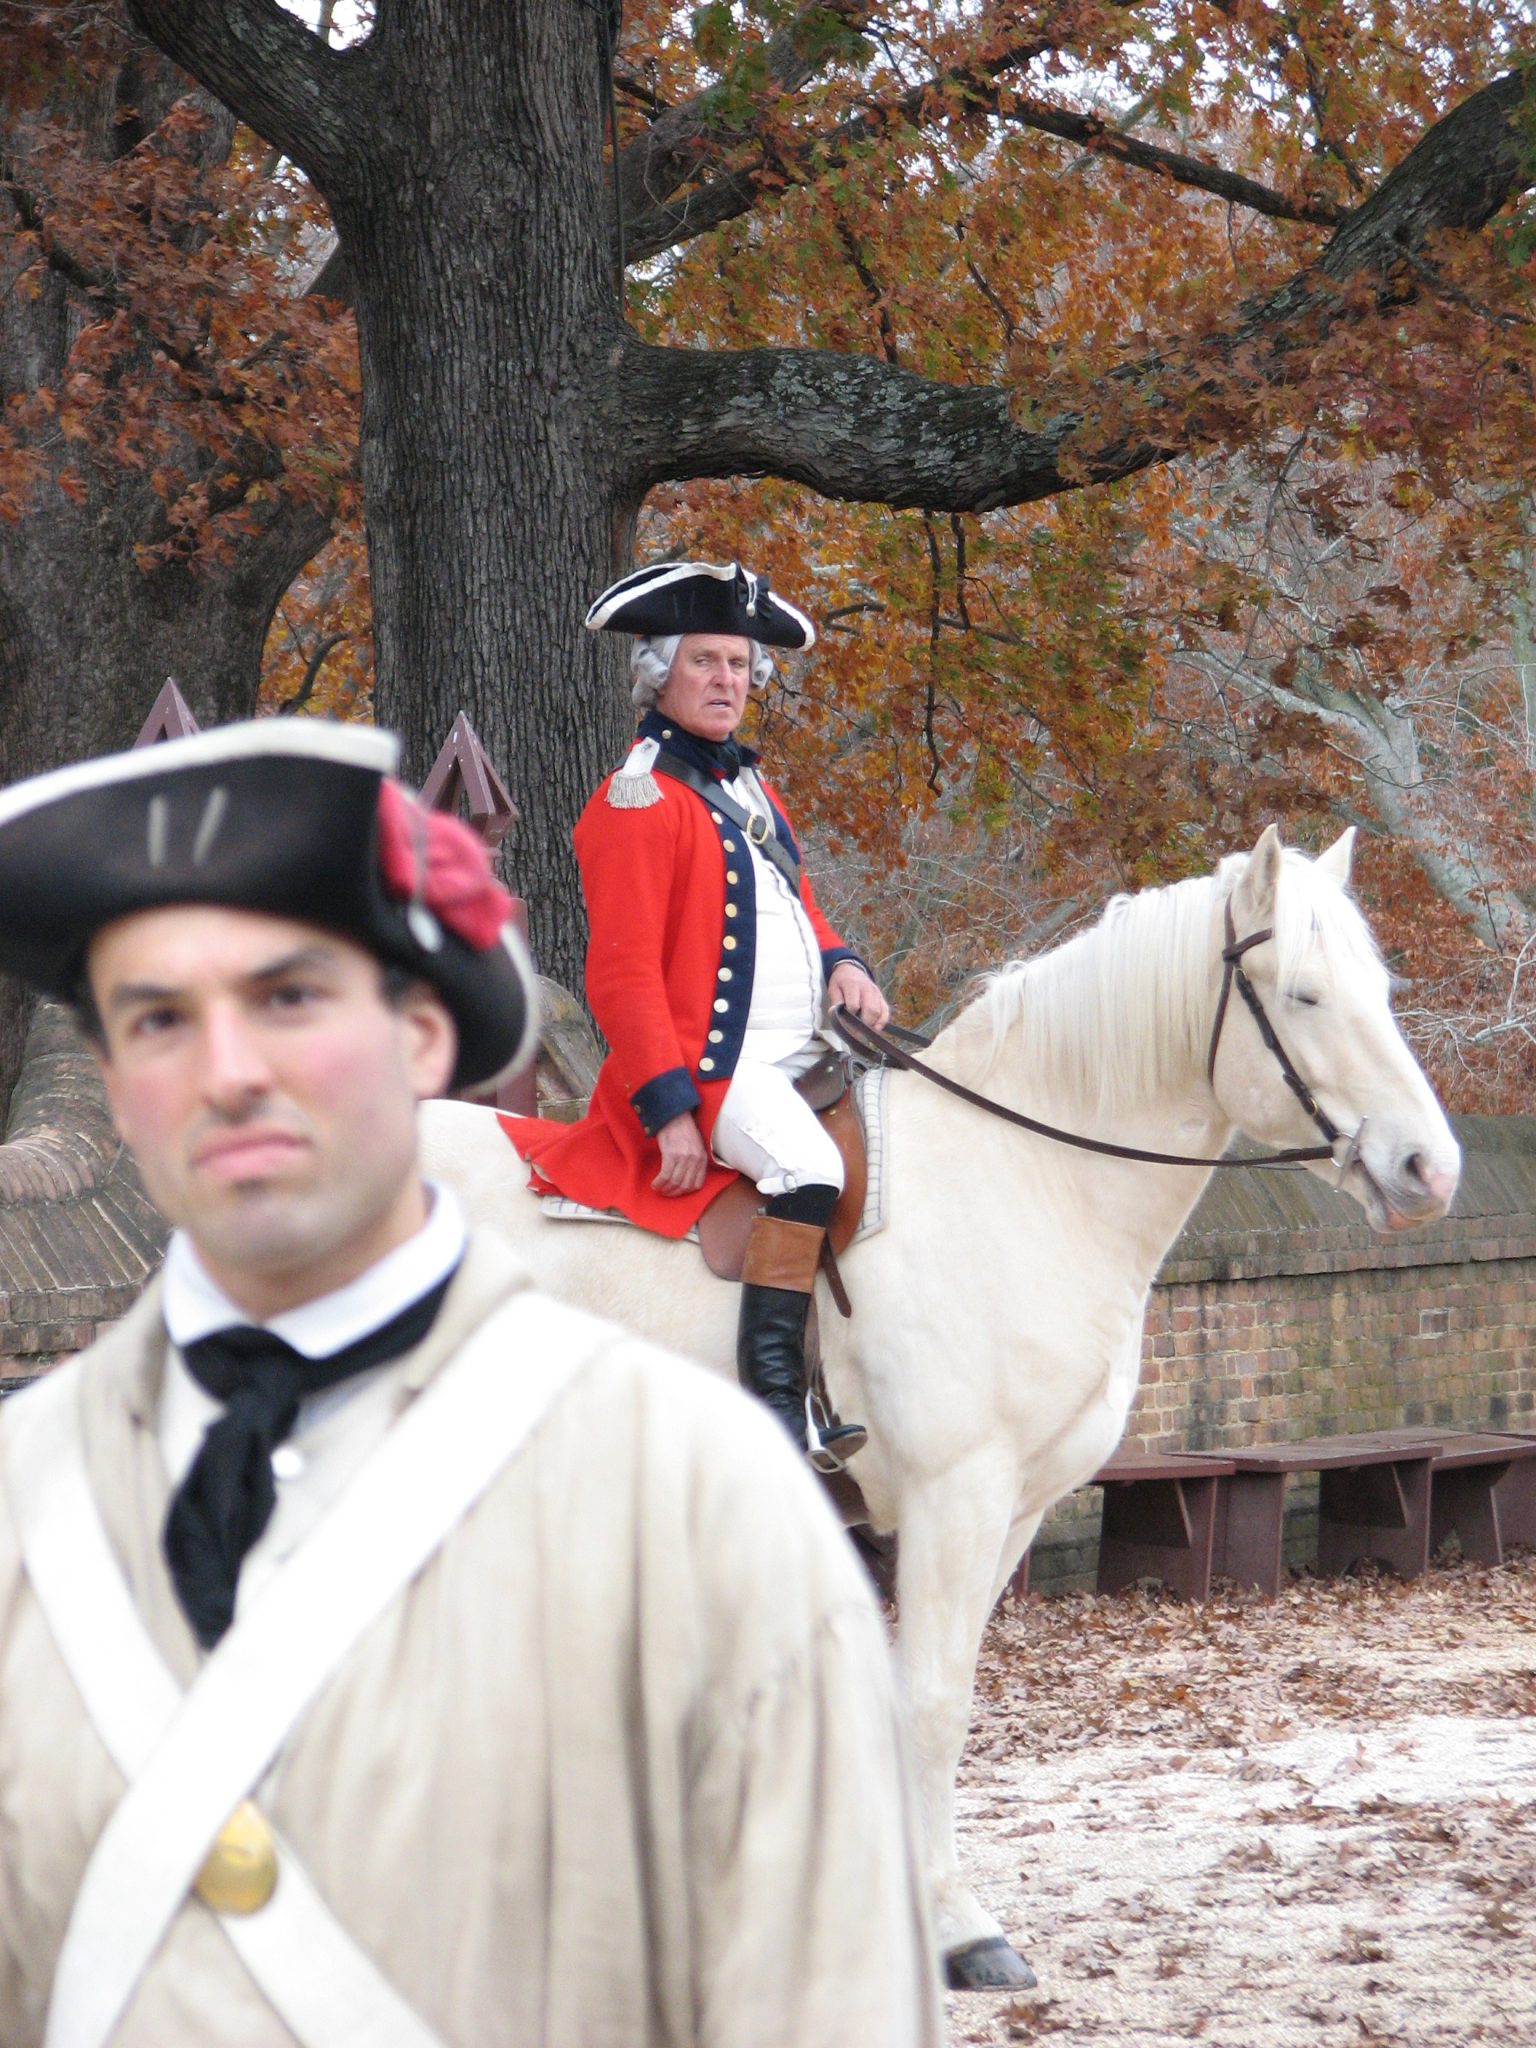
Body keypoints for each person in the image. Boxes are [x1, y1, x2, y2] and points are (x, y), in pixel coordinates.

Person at [0, 720, 942, 2047]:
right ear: (108, 1083)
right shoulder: (18, 1512)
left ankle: (785, 1370)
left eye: (290, 997)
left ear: (425, 1036)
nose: (227, 1070)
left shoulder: (710, 1512)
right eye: (158, 1016)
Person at [510, 561, 890, 1465]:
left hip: (804, 1058)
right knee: (808, 1169)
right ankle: (777, 1419)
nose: (729, 680)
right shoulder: (637, 799)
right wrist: (671, 1106)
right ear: (658, 674)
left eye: (740, 664)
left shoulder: (749, 789)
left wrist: (844, 963)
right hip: (720, 1073)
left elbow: (794, 906)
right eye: (707, 662)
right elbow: (622, 974)